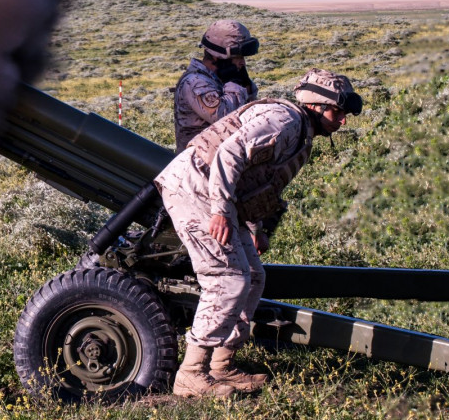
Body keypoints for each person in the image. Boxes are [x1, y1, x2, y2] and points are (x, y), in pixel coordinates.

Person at [154, 68, 363, 397]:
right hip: (196, 187)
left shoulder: (298, 131)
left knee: (252, 276)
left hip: (214, 191)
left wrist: (256, 228)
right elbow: (229, 154)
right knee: (228, 279)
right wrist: (221, 212)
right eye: (338, 112)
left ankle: (221, 364)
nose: (342, 121)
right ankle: (191, 373)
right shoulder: (285, 123)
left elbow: (258, 180)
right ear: (318, 106)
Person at [174, 20, 261, 151]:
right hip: (198, 163)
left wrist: (246, 86)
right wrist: (237, 84)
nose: (242, 62)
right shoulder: (195, 83)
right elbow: (225, 116)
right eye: (237, 56)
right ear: (217, 56)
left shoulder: (219, 79)